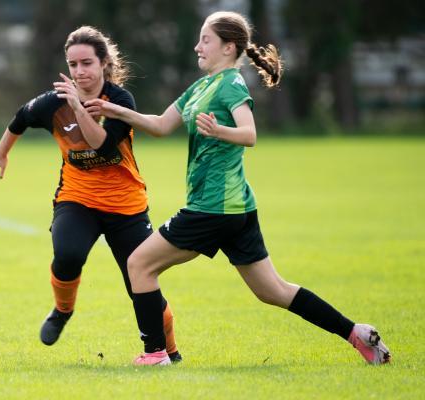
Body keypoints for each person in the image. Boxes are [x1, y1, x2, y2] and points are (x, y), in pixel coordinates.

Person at [85, 11, 391, 366]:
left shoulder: (231, 83)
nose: (198, 46)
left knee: (138, 263)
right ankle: (357, 333)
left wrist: (220, 132)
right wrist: (113, 109)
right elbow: (159, 124)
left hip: (213, 206)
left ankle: (156, 353)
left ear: (229, 48)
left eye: (206, 40)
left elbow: (249, 134)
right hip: (235, 208)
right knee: (272, 290)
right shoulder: (200, 87)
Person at [0, 26, 182, 362]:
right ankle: (62, 311)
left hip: (125, 204)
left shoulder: (119, 101)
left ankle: (169, 352)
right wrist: (3, 151)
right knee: (68, 254)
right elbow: (21, 118)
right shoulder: (54, 102)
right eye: (73, 65)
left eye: (86, 63)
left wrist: (78, 108)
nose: (79, 71)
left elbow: (100, 145)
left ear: (104, 63)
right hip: (77, 198)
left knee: (140, 281)